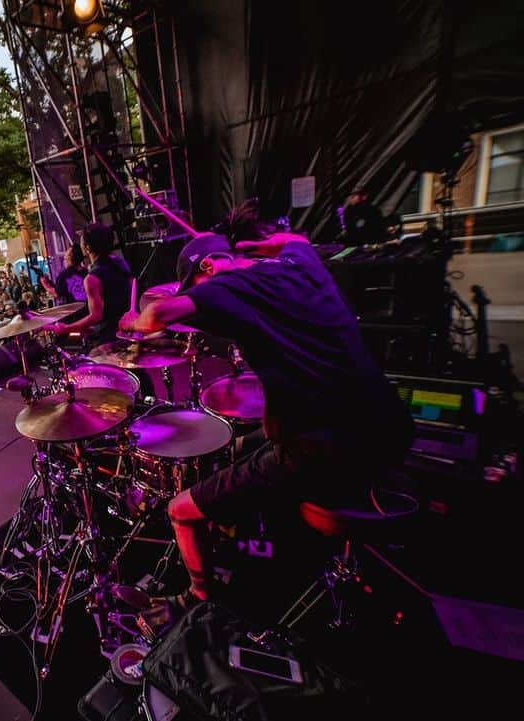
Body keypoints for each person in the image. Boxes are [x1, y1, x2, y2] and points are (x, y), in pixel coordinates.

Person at [119, 231, 413, 621]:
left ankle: (198, 597)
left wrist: (134, 321)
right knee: (240, 446)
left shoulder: (228, 284)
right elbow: (294, 238)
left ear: (207, 267)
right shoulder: (302, 266)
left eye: (198, 283)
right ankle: (241, 524)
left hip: (323, 447)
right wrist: (254, 247)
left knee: (181, 509)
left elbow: (157, 317)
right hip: (386, 426)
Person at [43, 223, 132, 344]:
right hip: (130, 329)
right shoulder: (120, 262)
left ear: (87, 248)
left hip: (110, 340)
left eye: (82, 241)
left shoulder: (92, 278)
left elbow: (96, 316)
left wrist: (66, 328)